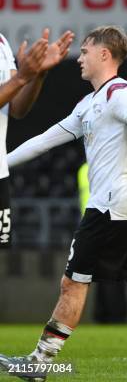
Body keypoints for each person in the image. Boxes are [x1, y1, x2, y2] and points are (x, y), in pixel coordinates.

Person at [0, 26, 127, 382]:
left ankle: (39, 364)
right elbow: (45, 140)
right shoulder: (91, 102)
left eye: (86, 51)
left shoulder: (122, 94)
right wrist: (2, 163)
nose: (80, 58)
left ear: (104, 54)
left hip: (110, 207)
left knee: (73, 283)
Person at [0, 28, 74, 248]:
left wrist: (37, 74)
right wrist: (23, 77)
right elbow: (17, 83)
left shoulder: (2, 42)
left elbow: (16, 108)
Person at [78, 162, 127, 323]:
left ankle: (103, 314)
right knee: (114, 272)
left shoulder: (85, 169)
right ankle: (114, 314)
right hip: (113, 222)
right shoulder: (118, 166)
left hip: (94, 224)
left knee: (102, 273)